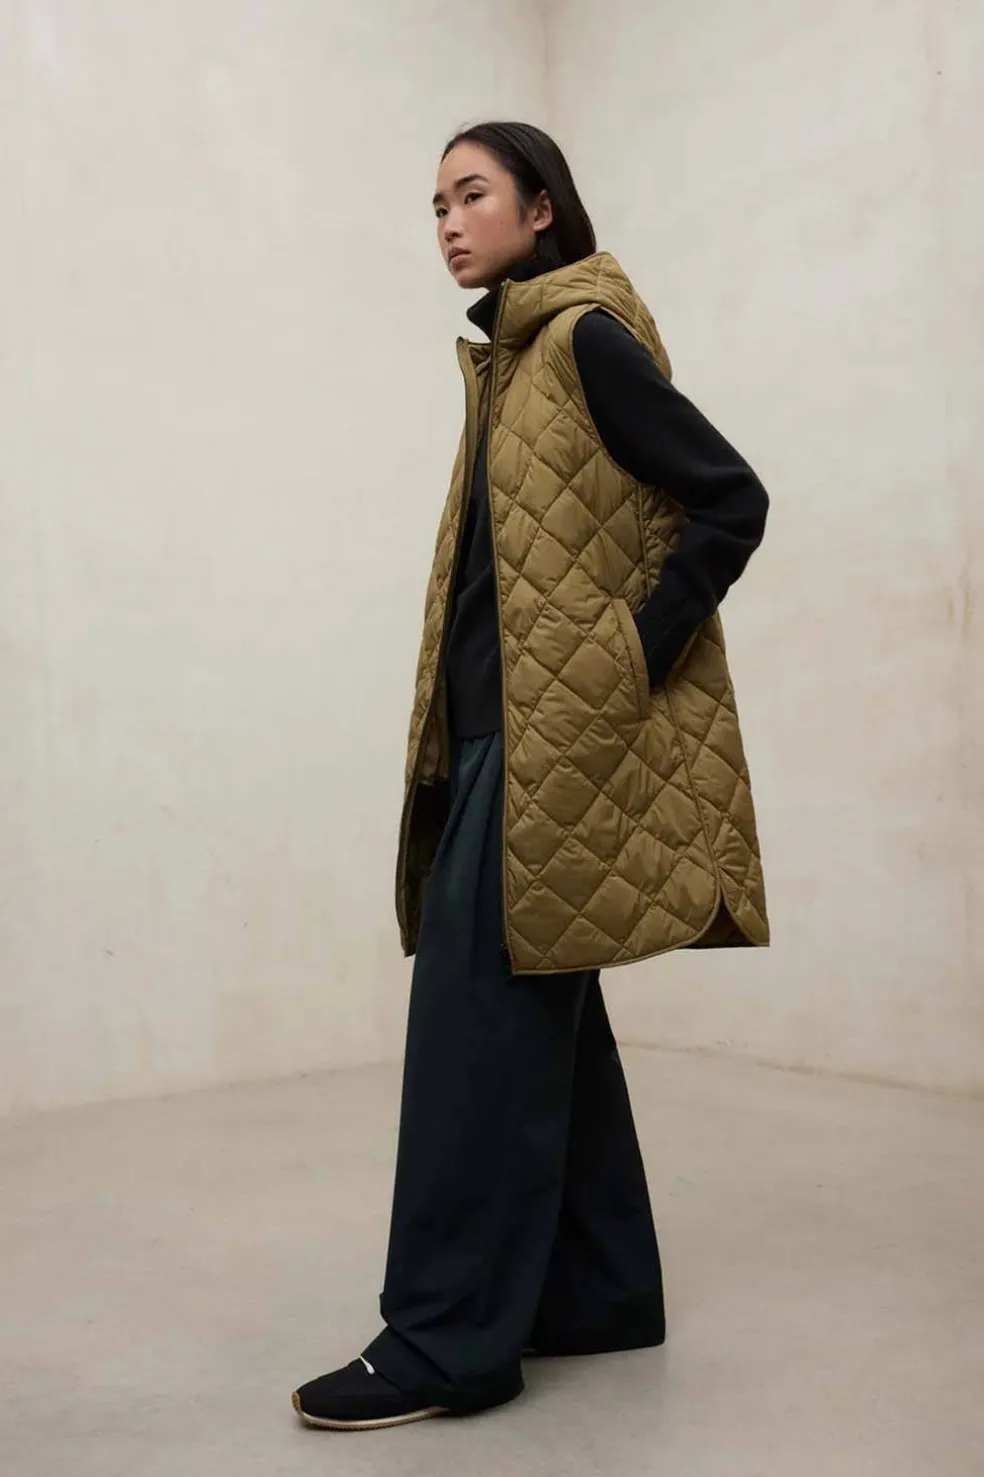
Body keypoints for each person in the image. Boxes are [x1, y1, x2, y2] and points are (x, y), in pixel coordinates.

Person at [292, 121, 769, 1432]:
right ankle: (598, 1292)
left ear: (541, 208)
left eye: (472, 195)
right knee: (544, 1013)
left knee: (472, 1043)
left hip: (545, 745)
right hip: (493, 740)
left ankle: (447, 1342)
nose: (448, 222)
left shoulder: (581, 340)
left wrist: (631, 654)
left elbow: (729, 498)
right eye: (436, 204)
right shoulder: (510, 357)